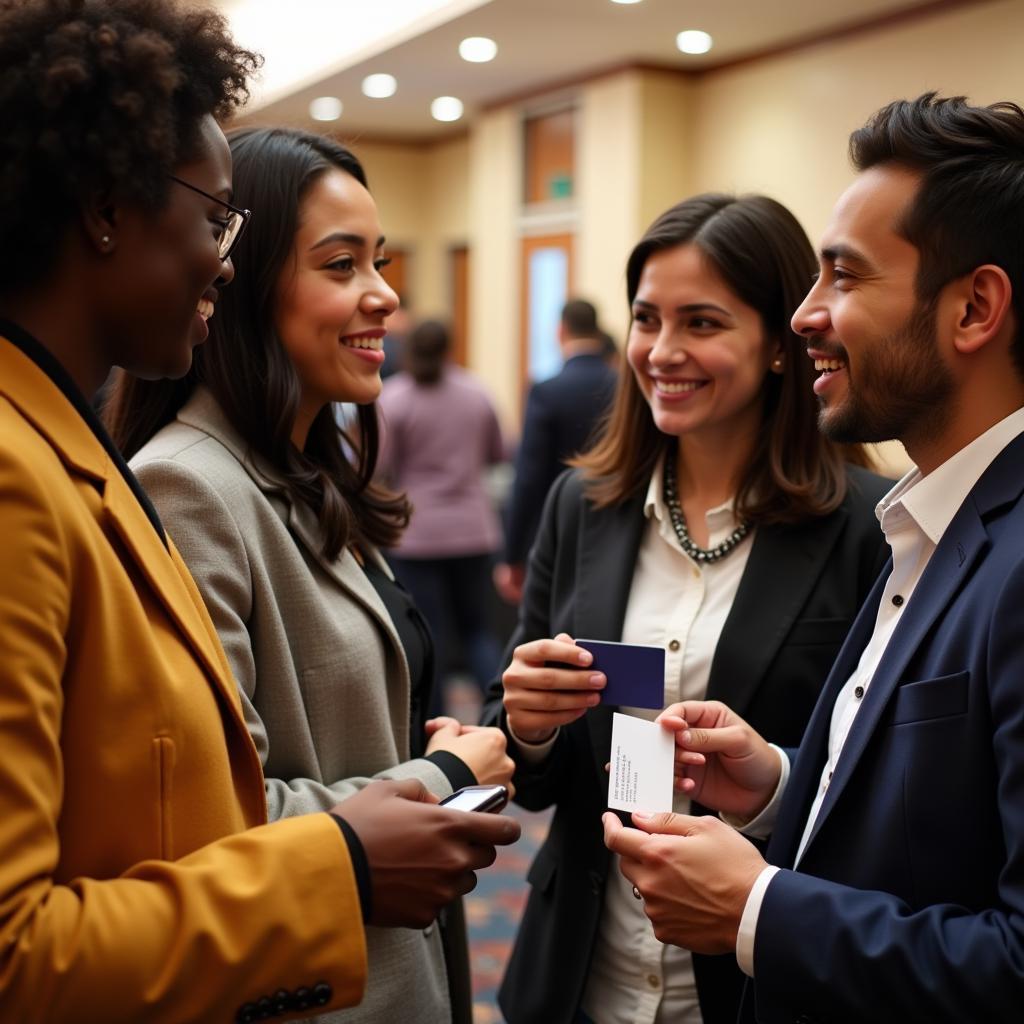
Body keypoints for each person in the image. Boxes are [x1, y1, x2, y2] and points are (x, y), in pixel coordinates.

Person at [0, 3, 519, 1021]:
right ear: (108, 211)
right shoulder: (37, 476)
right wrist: (365, 844)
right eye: (212, 219)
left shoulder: (69, 450)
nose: (223, 259)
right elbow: (19, 951)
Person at [604, 93, 1024, 1023]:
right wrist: (781, 784)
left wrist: (757, 909)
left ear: (975, 309)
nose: (807, 314)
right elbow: (935, 831)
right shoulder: (936, 518)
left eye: (843, 276)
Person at [104, 127, 516, 1024]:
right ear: (240, 286)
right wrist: (439, 775)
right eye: (341, 266)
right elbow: (213, 810)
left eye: (380, 261)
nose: (384, 297)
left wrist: (418, 746)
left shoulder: (302, 469)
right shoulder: (189, 485)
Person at [481, 194, 891, 1023]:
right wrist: (526, 724)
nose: (662, 352)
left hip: (751, 979)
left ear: (780, 344)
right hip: (578, 970)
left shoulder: (869, 529)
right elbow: (534, 775)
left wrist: (768, 787)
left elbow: (879, 795)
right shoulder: (581, 505)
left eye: (702, 323)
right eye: (646, 319)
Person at [378, 318, 506, 718]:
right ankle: (497, 715)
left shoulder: (394, 398)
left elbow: (380, 464)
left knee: (428, 634)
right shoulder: (476, 392)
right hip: (473, 531)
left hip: (418, 535)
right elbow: (498, 453)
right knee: (477, 630)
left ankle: (434, 726)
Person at [494, 298, 617, 605]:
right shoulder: (624, 386)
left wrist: (513, 553)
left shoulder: (546, 390)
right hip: (617, 524)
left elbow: (529, 477)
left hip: (558, 530)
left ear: (560, 331)